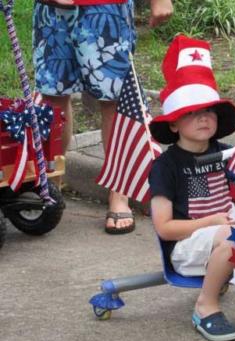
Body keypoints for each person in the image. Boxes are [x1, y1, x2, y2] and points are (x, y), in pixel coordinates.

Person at [148, 35, 235, 341]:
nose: (203, 117)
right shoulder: (166, 166)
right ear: (173, 124)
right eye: (191, 112)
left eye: (209, 110)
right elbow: (165, 228)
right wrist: (211, 222)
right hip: (187, 246)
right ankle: (205, 305)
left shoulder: (226, 153)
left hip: (228, 232)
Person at [32, 0, 173, 234]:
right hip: (52, 9)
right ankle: (51, 185)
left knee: (114, 99)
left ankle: (119, 193)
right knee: (53, 99)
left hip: (107, 7)